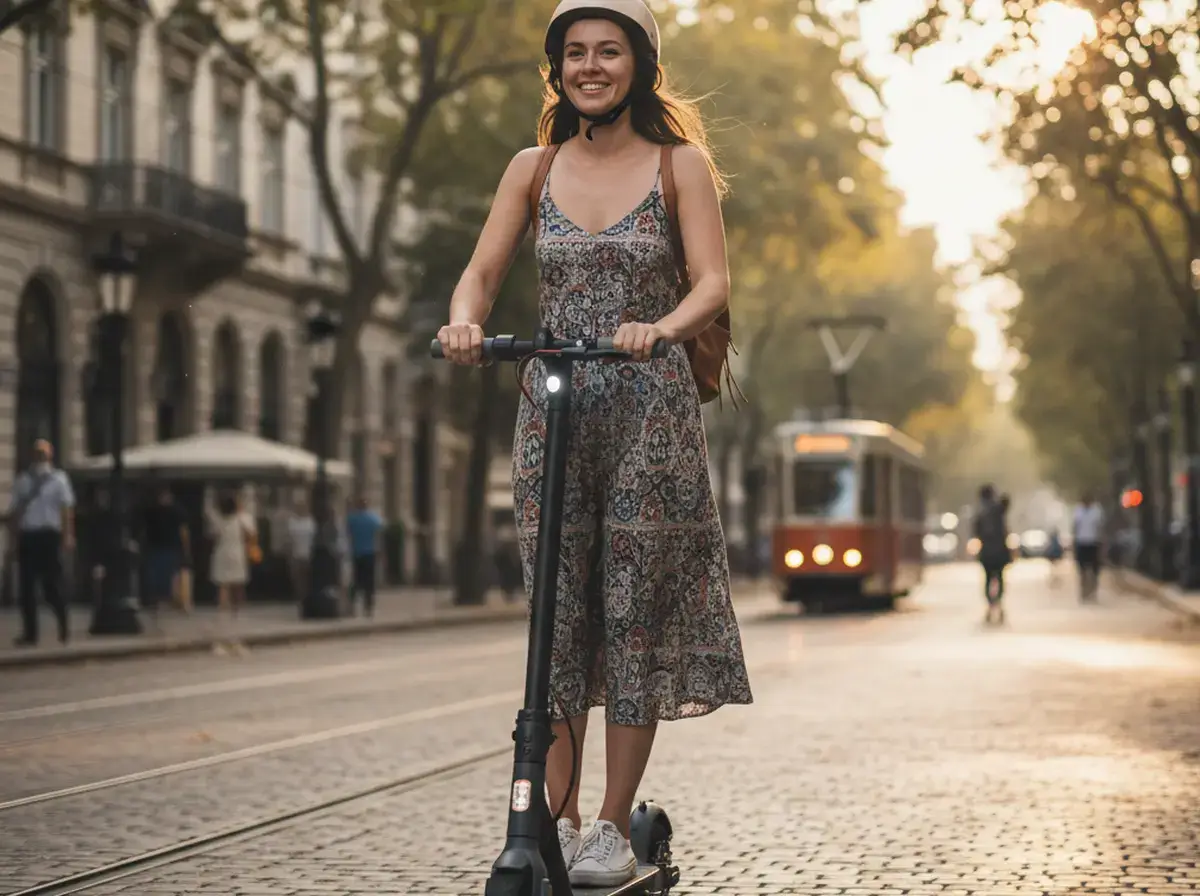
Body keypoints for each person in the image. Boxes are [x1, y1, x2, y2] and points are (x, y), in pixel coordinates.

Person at [436, 0, 753, 886]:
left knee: (631, 613)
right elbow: (482, 273)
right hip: (556, 409)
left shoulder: (678, 165)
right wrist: (465, 324)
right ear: (557, 69)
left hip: (649, 414)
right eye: (574, 53)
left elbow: (713, 282)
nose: (590, 66)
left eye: (609, 51)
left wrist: (658, 326)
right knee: (558, 615)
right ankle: (558, 818)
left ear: (640, 66)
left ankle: (612, 827)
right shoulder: (532, 168)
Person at [6, 439, 75, 646]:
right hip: (29, 535)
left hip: (49, 535)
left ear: (50, 456)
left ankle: (63, 624)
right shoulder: (23, 480)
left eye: (43, 454)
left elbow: (66, 510)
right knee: (26, 587)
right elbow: (16, 513)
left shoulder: (59, 479)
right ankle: (30, 634)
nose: (40, 458)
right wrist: (13, 541)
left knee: (51, 586)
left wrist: (67, 536)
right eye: (37, 454)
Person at [207, 490, 255, 654]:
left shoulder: (218, 520)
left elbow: (213, 536)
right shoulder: (242, 519)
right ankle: (234, 637)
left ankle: (221, 639)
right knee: (237, 599)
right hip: (237, 557)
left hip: (221, 556)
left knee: (223, 597)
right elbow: (251, 535)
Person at [140, 485, 190, 631]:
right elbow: (184, 531)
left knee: (165, 574)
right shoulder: (168, 511)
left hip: (164, 546)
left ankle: (165, 600)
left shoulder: (157, 511)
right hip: (162, 546)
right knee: (165, 574)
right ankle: (163, 600)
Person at [973, 484, 1010, 624]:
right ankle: (998, 603)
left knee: (988, 579)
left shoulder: (980, 512)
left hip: (987, 551)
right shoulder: (998, 509)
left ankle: (991, 604)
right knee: (999, 578)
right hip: (1000, 550)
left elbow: (975, 531)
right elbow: (1006, 503)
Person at [345, 496, 383, 617]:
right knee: (369, 582)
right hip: (370, 553)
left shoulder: (352, 518)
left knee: (356, 580)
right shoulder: (373, 518)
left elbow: (347, 533)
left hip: (356, 553)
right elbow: (379, 533)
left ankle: (351, 606)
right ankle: (368, 608)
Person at [1072, 492, 1104, 601]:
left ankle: (1093, 591)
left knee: (1094, 570)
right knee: (1082, 570)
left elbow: (1100, 527)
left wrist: (1102, 542)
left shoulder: (1096, 511)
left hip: (1094, 542)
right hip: (1081, 542)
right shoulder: (1078, 511)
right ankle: (1084, 592)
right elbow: (1075, 526)